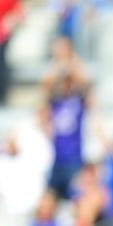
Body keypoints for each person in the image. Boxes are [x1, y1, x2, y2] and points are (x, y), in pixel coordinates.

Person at [42, 37, 90, 198]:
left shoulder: (78, 100)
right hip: (55, 159)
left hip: (74, 159)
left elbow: (84, 82)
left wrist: (70, 61)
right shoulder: (54, 101)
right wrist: (58, 64)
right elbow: (45, 86)